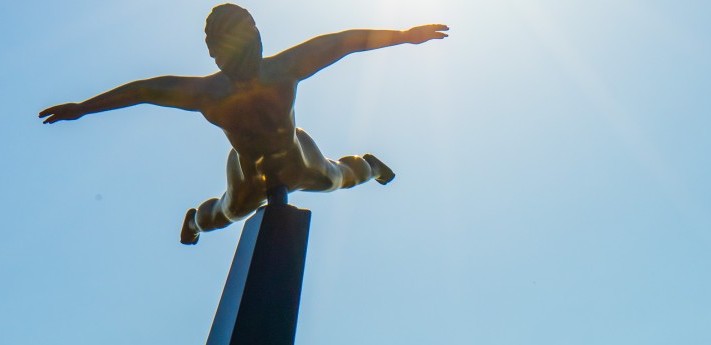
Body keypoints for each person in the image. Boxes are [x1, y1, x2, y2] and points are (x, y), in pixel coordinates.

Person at [38, 4, 450, 244]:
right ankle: (193, 220)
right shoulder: (205, 93)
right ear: (217, 56)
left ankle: (371, 166)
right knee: (227, 211)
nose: (247, 59)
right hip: (248, 171)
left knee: (334, 177)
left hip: (296, 155)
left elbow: (343, 42)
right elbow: (144, 90)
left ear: (258, 39)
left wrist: (404, 34)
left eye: (251, 43)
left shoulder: (285, 68)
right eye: (234, 52)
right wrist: (83, 107)